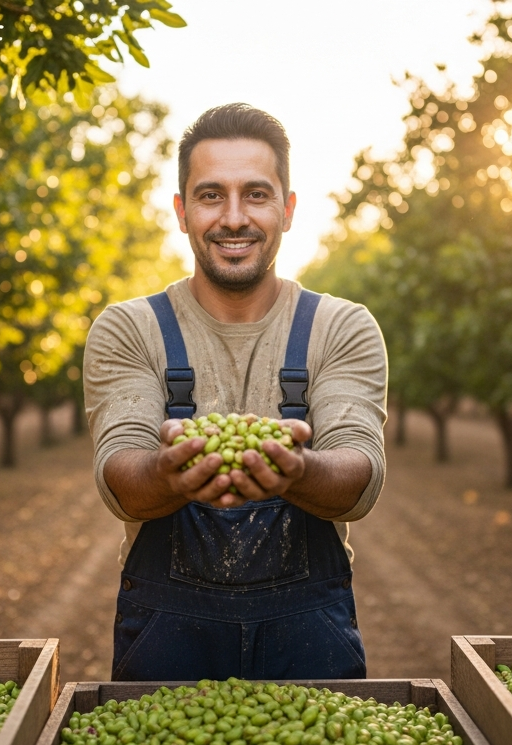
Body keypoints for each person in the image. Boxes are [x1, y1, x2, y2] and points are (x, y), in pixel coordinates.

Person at [83, 103, 388, 681]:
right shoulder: (129, 328)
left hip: (309, 636)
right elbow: (118, 474)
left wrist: (297, 473)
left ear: (287, 209)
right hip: (166, 640)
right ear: (181, 211)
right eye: (209, 195)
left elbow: (361, 471)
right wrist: (169, 475)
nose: (233, 218)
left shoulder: (341, 327)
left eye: (255, 194)